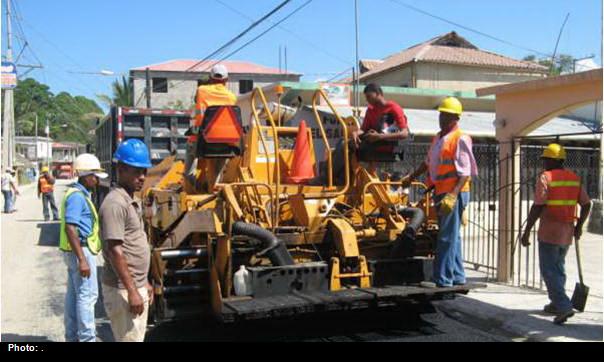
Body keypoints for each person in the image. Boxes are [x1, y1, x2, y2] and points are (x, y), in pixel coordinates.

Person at [402, 97, 477, 288]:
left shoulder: (460, 138)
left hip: (454, 192)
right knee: (453, 236)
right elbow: (428, 163)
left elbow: (465, 172)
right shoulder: (438, 138)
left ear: (455, 118)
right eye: (441, 114)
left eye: (445, 115)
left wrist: (453, 195)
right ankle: (458, 276)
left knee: (445, 236)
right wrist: (412, 177)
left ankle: (442, 279)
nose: (441, 118)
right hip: (442, 191)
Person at [520, 143, 592, 325]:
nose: (543, 163)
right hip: (566, 233)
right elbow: (586, 204)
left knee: (549, 271)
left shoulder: (546, 177)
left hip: (549, 232)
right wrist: (579, 227)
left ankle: (563, 306)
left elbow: (538, 206)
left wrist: (527, 230)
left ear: (554, 160)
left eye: (545, 159)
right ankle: (555, 303)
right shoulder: (574, 178)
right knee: (558, 268)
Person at [100, 139, 153, 342]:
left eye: (144, 172)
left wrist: (143, 282)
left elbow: (133, 244)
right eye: (136, 171)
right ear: (121, 169)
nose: (142, 177)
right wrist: (132, 291)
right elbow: (115, 250)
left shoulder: (130, 199)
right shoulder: (115, 204)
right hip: (123, 289)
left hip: (134, 286)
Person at [60, 154, 108, 342]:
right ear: (86, 176)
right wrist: (82, 260)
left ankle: (72, 337)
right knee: (87, 297)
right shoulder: (78, 197)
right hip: (81, 251)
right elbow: (70, 227)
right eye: (94, 176)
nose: (97, 181)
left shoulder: (75, 194)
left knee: (74, 296)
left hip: (75, 251)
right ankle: (87, 339)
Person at [185, 64, 238, 176]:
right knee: (219, 162)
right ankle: (215, 183)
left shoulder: (201, 90)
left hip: (202, 139)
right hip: (225, 142)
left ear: (210, 78)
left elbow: (196, 101)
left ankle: (189, 180)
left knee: (190, 146)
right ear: (226, 80)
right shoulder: (232, 97)